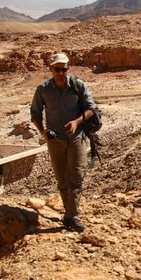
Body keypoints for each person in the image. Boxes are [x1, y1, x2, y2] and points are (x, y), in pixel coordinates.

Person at [31, 52, 97, 231]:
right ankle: (69, 214)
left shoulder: (78, 85)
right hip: (55, 140)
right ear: (51, 69)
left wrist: (76, 122)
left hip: (76, 138)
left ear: (68, 68)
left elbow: (91, 109)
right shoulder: (43, 89)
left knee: (76, 176)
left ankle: (72, 216)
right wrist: (43, 131)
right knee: (62, 179)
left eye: (64, 69)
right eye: (57, 69)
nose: (61, 72)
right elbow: (35, 114)